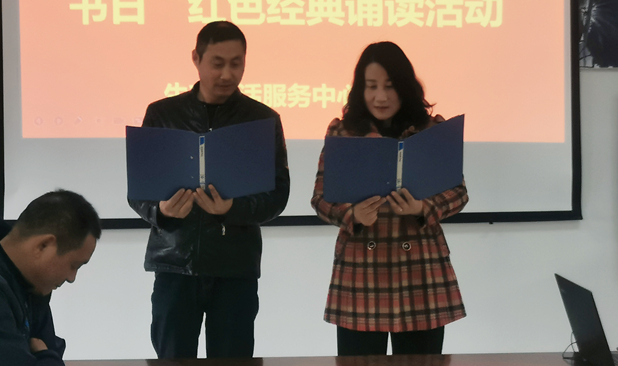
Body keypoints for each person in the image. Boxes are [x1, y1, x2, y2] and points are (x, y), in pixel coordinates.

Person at [128, 20, 290, 359]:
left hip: (235, 268)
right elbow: (139, 192)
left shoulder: (262, 120)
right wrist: (161, 210)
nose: (227, 74)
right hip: (174, 264)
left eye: (236, 63)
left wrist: (231, 209)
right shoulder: (162, 114)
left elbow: (277, 196)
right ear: (196, 59)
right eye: (217, 63)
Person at [311, 41, 468, 356]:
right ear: (360, 89)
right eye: (371, 86)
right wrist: (353, 215)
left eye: (390, 86)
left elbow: (458, 193)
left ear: (405, 87)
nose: (380, 96)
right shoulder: (343, 133)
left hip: (420, 272)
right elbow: (321, 199)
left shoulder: (431, 130)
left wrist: (422, 208)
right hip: (361, 272)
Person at [0, 189, 101, 366]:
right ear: (43, 245)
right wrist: (47, 357)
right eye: (73, 265)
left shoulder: (30, 284)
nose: (72, 278)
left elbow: (49, 347)